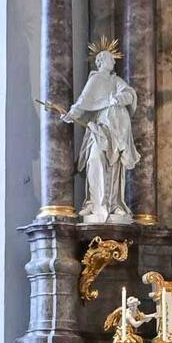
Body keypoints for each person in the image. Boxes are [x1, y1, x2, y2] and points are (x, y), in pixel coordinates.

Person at [63, 47, 139, 223]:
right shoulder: (96, 79)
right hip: (100, 128)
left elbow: (129, 93)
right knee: (94, 159)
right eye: (111, 59)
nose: (114, 62)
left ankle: (114, 204)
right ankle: (95, 202)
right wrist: (72, 114)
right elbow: (83, 100)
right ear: (101, 61)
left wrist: (119, 98)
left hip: (117, 130)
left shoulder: (116, 80)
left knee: (115, 166)